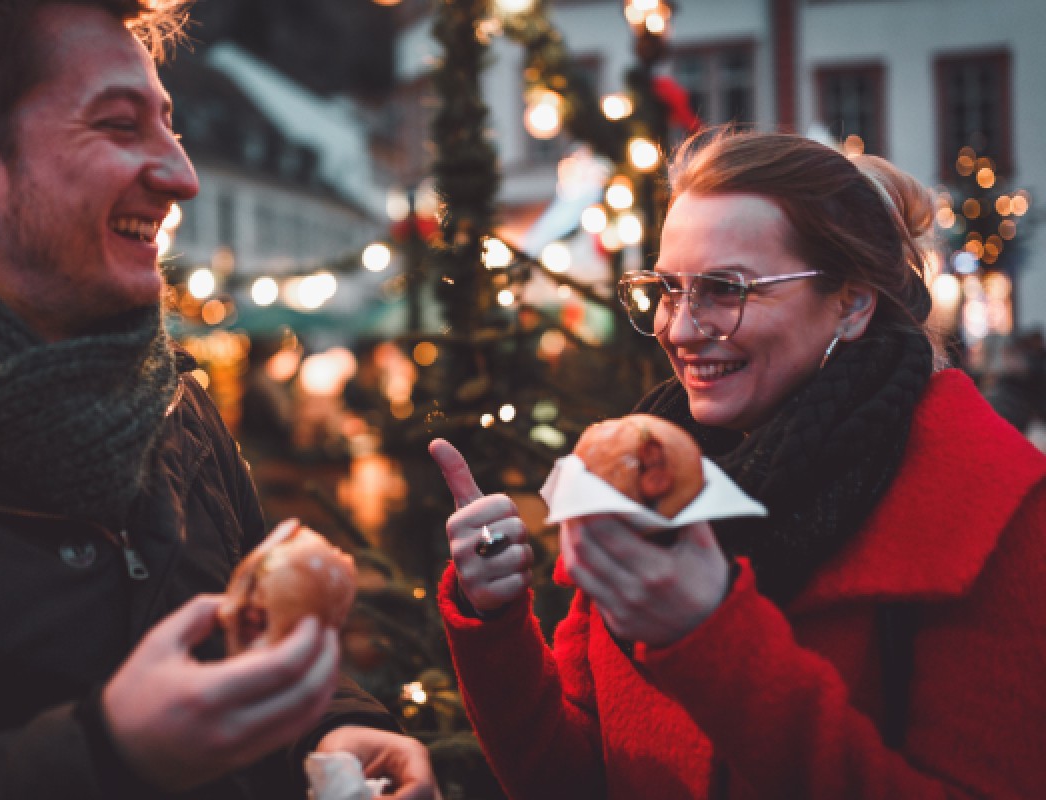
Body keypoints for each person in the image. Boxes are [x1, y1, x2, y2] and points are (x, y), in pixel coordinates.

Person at [0, 1, 439, 798]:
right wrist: (107, 757)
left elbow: (247, 633)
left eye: (171, 126)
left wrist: (333, 723)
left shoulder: (175, 407)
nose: (182, 177)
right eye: (120, 126)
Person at [429, 130, 1046, 798]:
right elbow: (573, 779)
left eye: (725, 288)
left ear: (852, 302)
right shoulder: (644, 476)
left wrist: (711, 634)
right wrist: (494, 622)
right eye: (668, 288)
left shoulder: (995, 509)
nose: (681, 328)